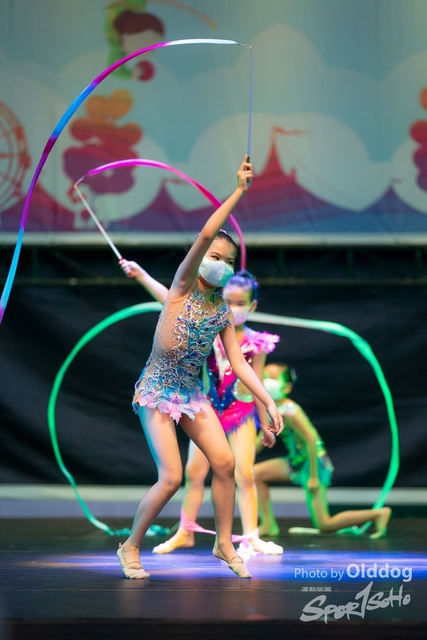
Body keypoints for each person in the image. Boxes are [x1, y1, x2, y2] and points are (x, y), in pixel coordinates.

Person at [116, 157, 283, 580]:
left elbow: (239, 364)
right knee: (171, 477)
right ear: (199, 255)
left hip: (191, 395)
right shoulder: (182, 287)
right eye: (214, 256)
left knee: (225, 464)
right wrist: (240, 190)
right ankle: (130, 546)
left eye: (228, 260)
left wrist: (267, 400)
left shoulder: (222, 310)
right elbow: (209, 232)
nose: (220, 263)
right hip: (157, 391)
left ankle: (224, 543)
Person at [148, 270, 283, 556]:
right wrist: (140, 275)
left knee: (244, 473)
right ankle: (185, 531)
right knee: (194, 471)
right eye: (228, 301)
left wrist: (264, 422)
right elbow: (172, 302)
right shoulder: (210, 329)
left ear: (252, 306)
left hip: (241, 411)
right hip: (207, 408)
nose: (233, 308)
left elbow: (256, 381)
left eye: (240, 303)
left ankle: (251, 537)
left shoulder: (256, 342)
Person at [254, 362, 392, 539]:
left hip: (314, 464)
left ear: (286, 387)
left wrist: (313, 476)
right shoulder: (274, 410)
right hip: (296, 461)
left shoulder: (290, 411)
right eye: (265, 377)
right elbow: (263, 438)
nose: (267, 382)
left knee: (324, 524)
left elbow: (312, 441)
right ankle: (268, 523)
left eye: (273, 378)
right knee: (255, 474)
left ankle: (378, 514)